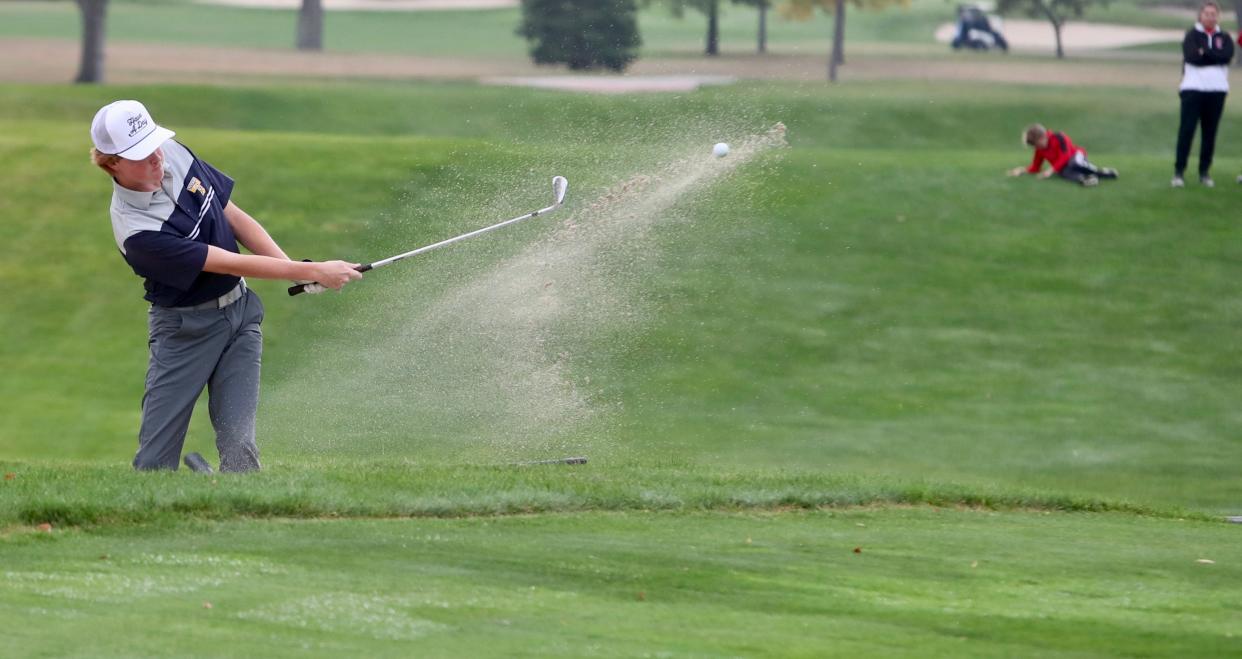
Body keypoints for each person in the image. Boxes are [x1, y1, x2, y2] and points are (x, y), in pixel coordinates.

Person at [90, 99, 363, 472]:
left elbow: (231, 215)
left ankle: (240, 516)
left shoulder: (172, 152)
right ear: (111, 163)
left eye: (153, 143)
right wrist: (315, 271)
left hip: (239, 315)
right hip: (184, 332)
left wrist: (298, 269)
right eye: (140, 155)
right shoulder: (137, 232)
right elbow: (227, 261)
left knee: (240, 448)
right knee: (154, 462)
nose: (155, 157)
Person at [1173, 1, 1233, 188]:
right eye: (1207, 13)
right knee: (1187, 131)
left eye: (1213, 14)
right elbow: (1192, 57)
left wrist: (1206, 52)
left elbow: (1227, 56)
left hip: (1217, 90)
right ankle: (1179, 172)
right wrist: (1214, 55)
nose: (1210, 17)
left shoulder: (1224, 36)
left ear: (1218, 16)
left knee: (1210, 133)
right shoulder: (1192, 35)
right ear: (1200, 16)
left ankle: (1204, 172)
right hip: (1193, 89)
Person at [1007, 124, 1118, 187]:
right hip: (1063, 166)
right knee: (1063, 173)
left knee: (1074, 163)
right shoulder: (1039, 150)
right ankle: (1088, 179)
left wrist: (1051, 170)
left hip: (1076, 155)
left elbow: (1066, 155)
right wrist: (1021, 170)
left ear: (1042, 137)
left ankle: (1101, 172)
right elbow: (1035, 167)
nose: (1037, 148)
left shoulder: (1059, 137)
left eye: (1037, 144)